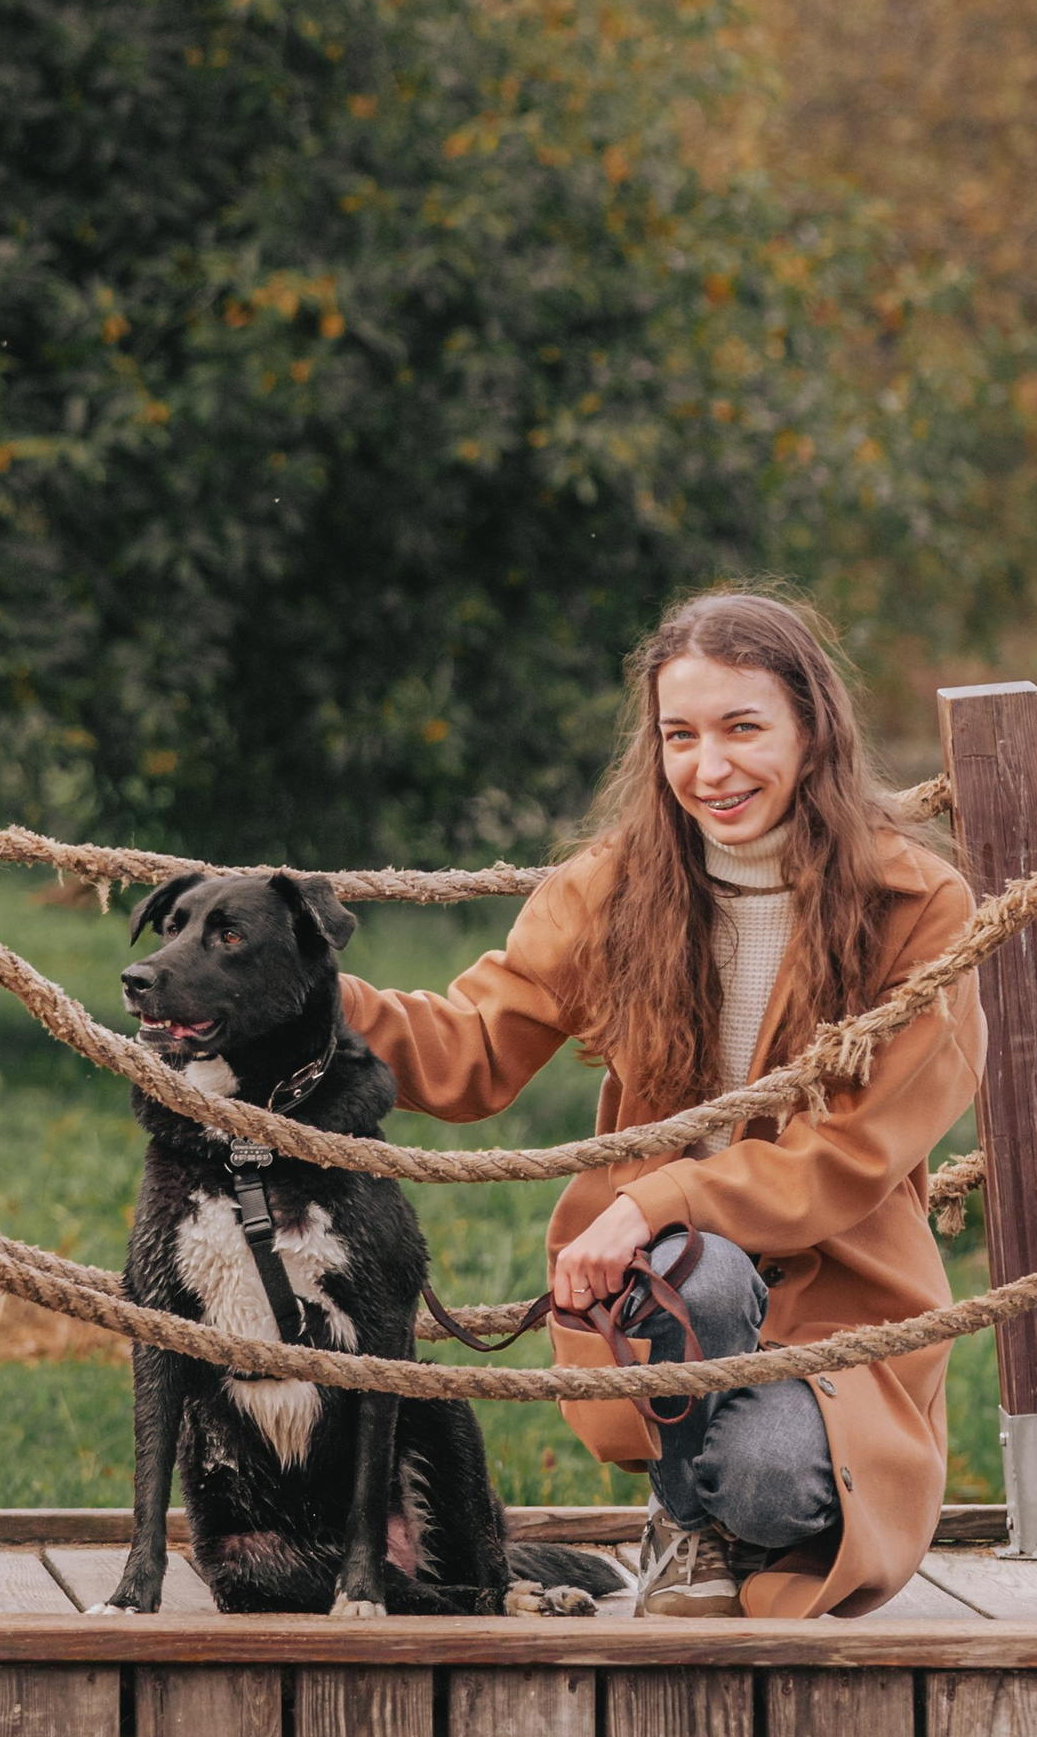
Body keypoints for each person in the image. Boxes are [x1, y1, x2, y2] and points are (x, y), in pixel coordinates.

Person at [338, 589, 982, 1619]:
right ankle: (692, 1525)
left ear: (811, 729)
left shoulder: (914, 903)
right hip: (660, 1288)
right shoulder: (616, 886)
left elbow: (851, 1154)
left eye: (741, 729)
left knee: (784, 1490)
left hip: (842, 1301)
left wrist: (658, 1192)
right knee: (701, 1263)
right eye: (680, 735)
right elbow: (470, 1048)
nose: (709, 769)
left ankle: (706, 1508)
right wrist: (313, 998)